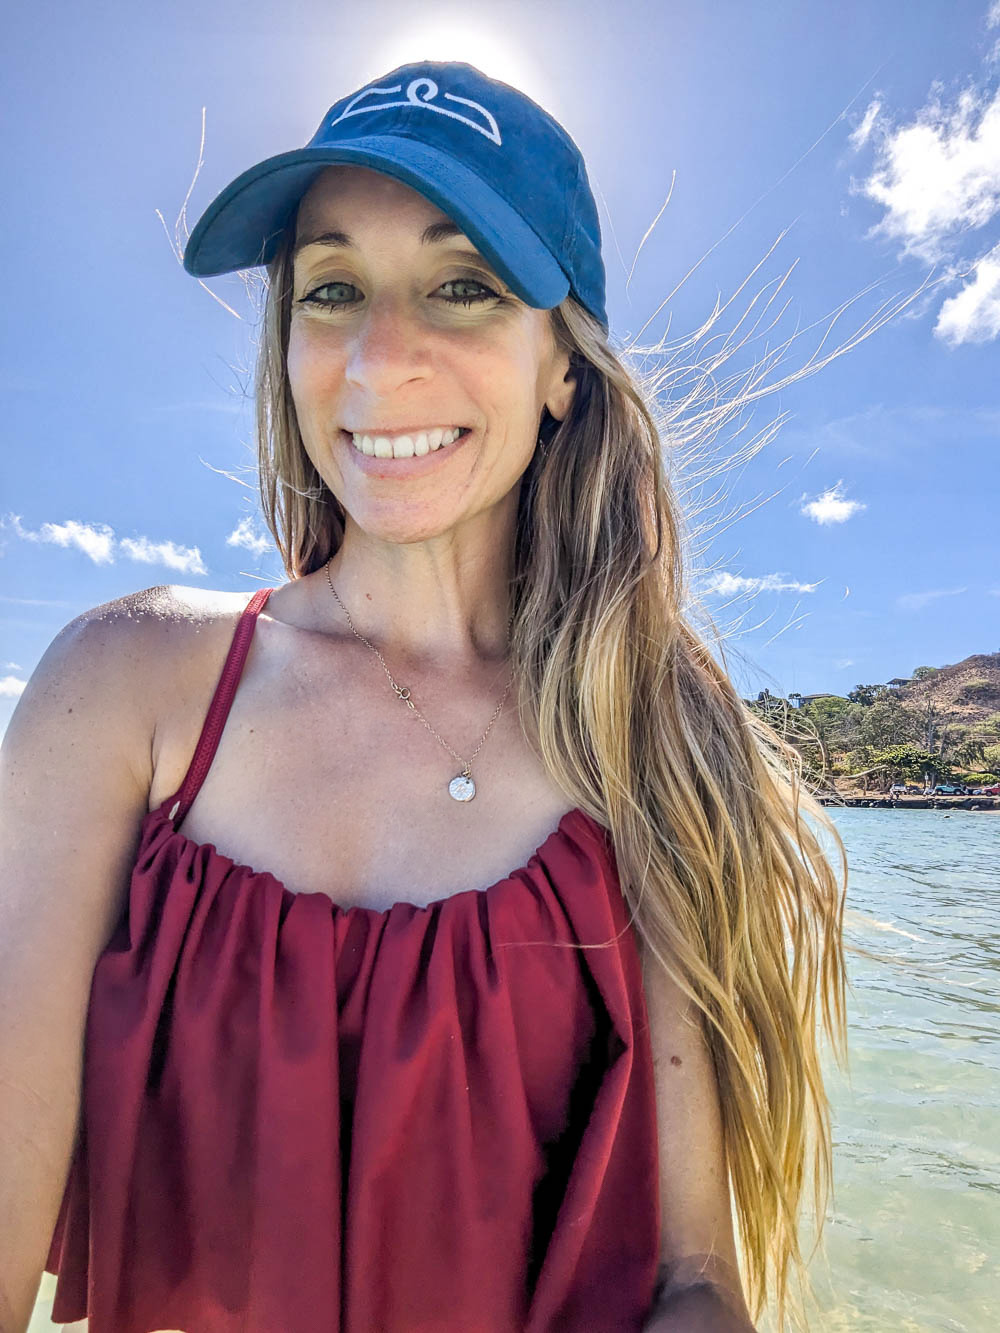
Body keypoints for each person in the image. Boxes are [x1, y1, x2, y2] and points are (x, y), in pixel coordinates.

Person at [0, 61, 848, 1333]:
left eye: (463, 287)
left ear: (563, 364)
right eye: (333, 290)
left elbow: (691, 1279)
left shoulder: (651, 740)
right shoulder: (118, 688)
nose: (379, 360)